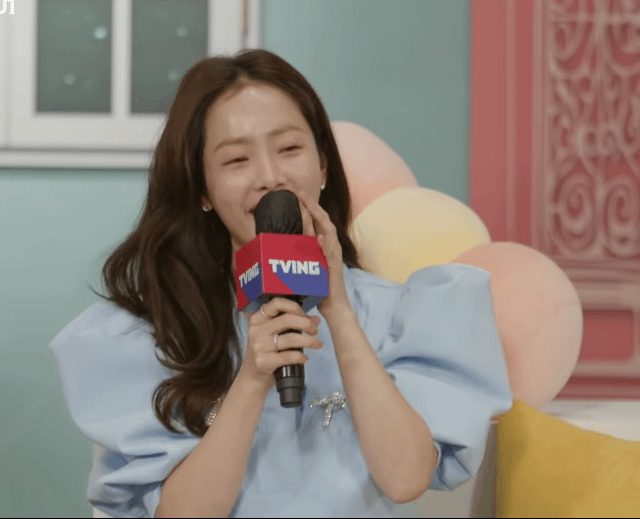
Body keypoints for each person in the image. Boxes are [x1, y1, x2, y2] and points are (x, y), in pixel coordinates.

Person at [49, 49, 513, 518]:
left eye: (289, 149)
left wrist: (339, 313)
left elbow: (406, 479)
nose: (270, 178)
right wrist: (251, 380)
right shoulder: (157, 333)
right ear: (203, 189)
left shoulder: (397, 314)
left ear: (324, 165)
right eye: (237, 160)